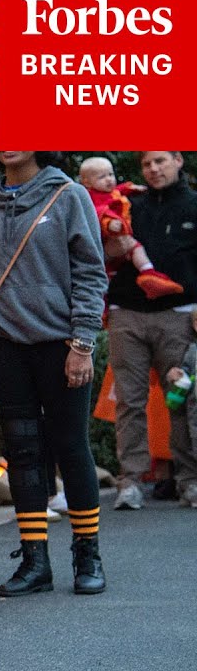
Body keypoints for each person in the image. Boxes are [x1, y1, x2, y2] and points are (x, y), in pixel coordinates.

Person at [0, 151, 108, 596]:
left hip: (61, 344)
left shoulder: (69, 196)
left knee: (71, 445)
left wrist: (82, 343)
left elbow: (91, 274)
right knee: (22, 452)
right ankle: (35, 561)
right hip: (6, 346)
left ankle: (88, 556)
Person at [104, 151, 197, 510]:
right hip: (127, 312)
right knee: (129, 401)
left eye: (160, 161)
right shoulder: (129, 206)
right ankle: (130, 482)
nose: (154, 169)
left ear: (178, 160)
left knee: (182, 397)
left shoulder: (192, 205)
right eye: (147, 164)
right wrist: (111, 247)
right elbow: (102, 251)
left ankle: (189, 480)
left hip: (179, 313)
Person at [78, 156, 182, 299]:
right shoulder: (88, 197)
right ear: (87, 182)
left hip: (121, 241)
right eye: (102, 177)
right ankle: (147, 273)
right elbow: (96, 212)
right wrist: (108, 223)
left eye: (111, 174)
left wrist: (130, 187)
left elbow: (119, 190)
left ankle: (149, 274)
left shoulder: (113, 192)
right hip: (108, 241)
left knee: (135, 248)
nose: (109, 179)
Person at [163, 308, 197, 506]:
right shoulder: (192, 351)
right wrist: (176, 374)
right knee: (192, 446)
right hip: (194, 412)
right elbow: (185, 371)